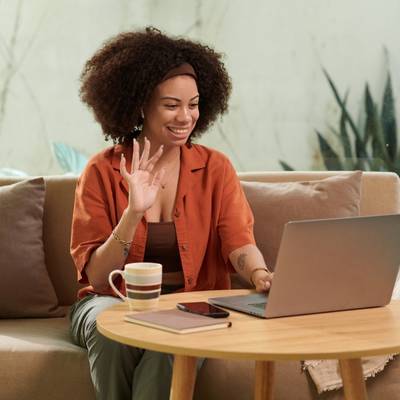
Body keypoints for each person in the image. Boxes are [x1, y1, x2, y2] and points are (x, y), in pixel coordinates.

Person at [69, 26, 273, 400]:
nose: (185, 117)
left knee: (172, 343)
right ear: (140, 105)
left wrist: (260, 274)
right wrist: (133, 213)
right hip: (109, 303)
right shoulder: (101, 171)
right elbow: (98, 279)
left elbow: (239, 244)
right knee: (109, 331)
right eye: (171, 105)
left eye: (193, 104)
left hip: (189, 305)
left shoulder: (216, 168)